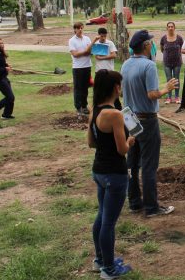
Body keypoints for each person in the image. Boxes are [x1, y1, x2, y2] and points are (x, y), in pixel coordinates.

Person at [122, 30, 178, 218]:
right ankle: (152, 207)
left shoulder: (125, 64)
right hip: (146, 119)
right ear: (146, 46)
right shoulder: (148, 66)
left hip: (129, 119)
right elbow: (151, 94)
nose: (152, 46)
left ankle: (134, 202)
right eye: (151, 43)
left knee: (132, 162)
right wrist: (166, 89)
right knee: (148, 165)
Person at [87, 69, 134, 279]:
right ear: (116, 87)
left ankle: (100, 260)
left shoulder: (95, 110)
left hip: (99, 170)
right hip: (115, 173)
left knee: (102, 216)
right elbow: (122, 149)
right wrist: (131, 140)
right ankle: (109, 269)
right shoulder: (115, 114)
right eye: (120, 85)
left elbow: (90, 142)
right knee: (109, 223)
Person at [69, 22, 98, 119]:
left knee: (85, 87)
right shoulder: (72, 41)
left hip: (87, 66)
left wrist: (86, 52)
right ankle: (78, 107)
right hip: (78, 68)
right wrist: (85, 52)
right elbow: (75, 54)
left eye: (81, 28)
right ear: (75, 29)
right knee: (78, 88)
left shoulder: (87, 39)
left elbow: (90, 51)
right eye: (78, 28)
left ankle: (84, 106)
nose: (80, 30)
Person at [160, 22, 183, 105]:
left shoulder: (179, 38)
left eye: (172, 26)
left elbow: (182, 48)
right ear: (167, 28)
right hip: (167, 63)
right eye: (169, 27)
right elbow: (162, 49)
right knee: (169, 79)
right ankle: (169, 97)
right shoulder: (163, 38)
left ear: (174, 27)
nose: (170, 28)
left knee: (176, 79)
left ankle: (177, 97)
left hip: (177, 62)